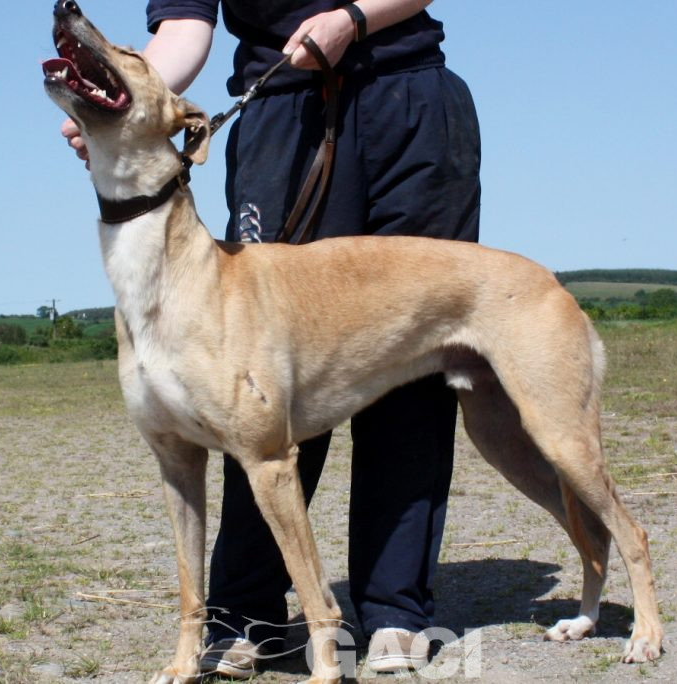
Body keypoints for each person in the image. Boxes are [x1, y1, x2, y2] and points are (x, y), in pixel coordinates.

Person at [62, 0, 480, 677]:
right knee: (245, 384)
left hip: (409, 98)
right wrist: (114, 95)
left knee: (412, 364)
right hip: (281, 104)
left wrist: (355, 17)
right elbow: (184, 24)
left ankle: (394, 609)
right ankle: (246, 611)